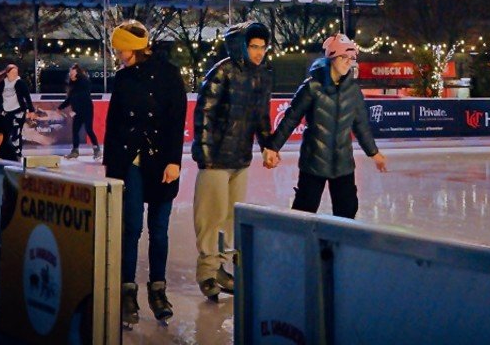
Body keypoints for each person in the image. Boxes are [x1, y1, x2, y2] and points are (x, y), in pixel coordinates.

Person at [102, 21, 185, 327]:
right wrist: (112, 167)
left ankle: (158, 289)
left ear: (133, 47)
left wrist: (174, 161)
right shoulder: (123, 80)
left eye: (119, 47)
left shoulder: (168, 75)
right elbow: (114, 124)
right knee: (131, 227)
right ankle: (127, 291)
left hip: (162, 161)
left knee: (159, 229)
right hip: (130, 162)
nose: (117, 53)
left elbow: (176, 122)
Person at [192, 20, 277, 301]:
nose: (259, 52)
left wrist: (268, 145)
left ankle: (221, 268)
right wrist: (205, 156)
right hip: (216, 158)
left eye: (263, 47)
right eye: (254, 46)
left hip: (241, 157)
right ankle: (207, 271)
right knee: (210, 217)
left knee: (229, 218)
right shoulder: (222, 72)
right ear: (242, 46)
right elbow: (203, 114)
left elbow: (262, 117)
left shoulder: (263, 75)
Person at [266, 34, 387, 220]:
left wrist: (373, 152)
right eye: (344, 57)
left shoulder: (353, 91)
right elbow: (291, 118)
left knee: (347, 212)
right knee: (304, 212)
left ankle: (337, 248)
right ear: (332, 58)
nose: (348, 62)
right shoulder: (312, 87)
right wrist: (273, 147)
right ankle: (300, 247)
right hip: (314, 162)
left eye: (351, 58)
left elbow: (361, 125)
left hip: (343, 163)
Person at [0, 63, 35, 158]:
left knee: (16, 132)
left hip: (18, 111)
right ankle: (3, 152)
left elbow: (27, 96)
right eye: (13, 73)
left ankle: (17, 153)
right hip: (6, 111)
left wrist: (31, 110)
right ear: (7, 73)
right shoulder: (3, 83)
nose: (15, 75)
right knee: (4, 132)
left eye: (16, 72)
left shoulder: (20, 82)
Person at [60, 63, 100, 160]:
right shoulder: (72, 85)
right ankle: (75, 151)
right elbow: (70, 99)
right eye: (70, 72)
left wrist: (76, 110)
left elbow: (82, 97)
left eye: (72, 72)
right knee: (75, 131)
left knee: (89, 129)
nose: (70, 73)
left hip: (86, 109)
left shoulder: (83, 82)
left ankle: (97, 149)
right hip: (77, 111)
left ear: (77, 72)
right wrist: (61, 107)